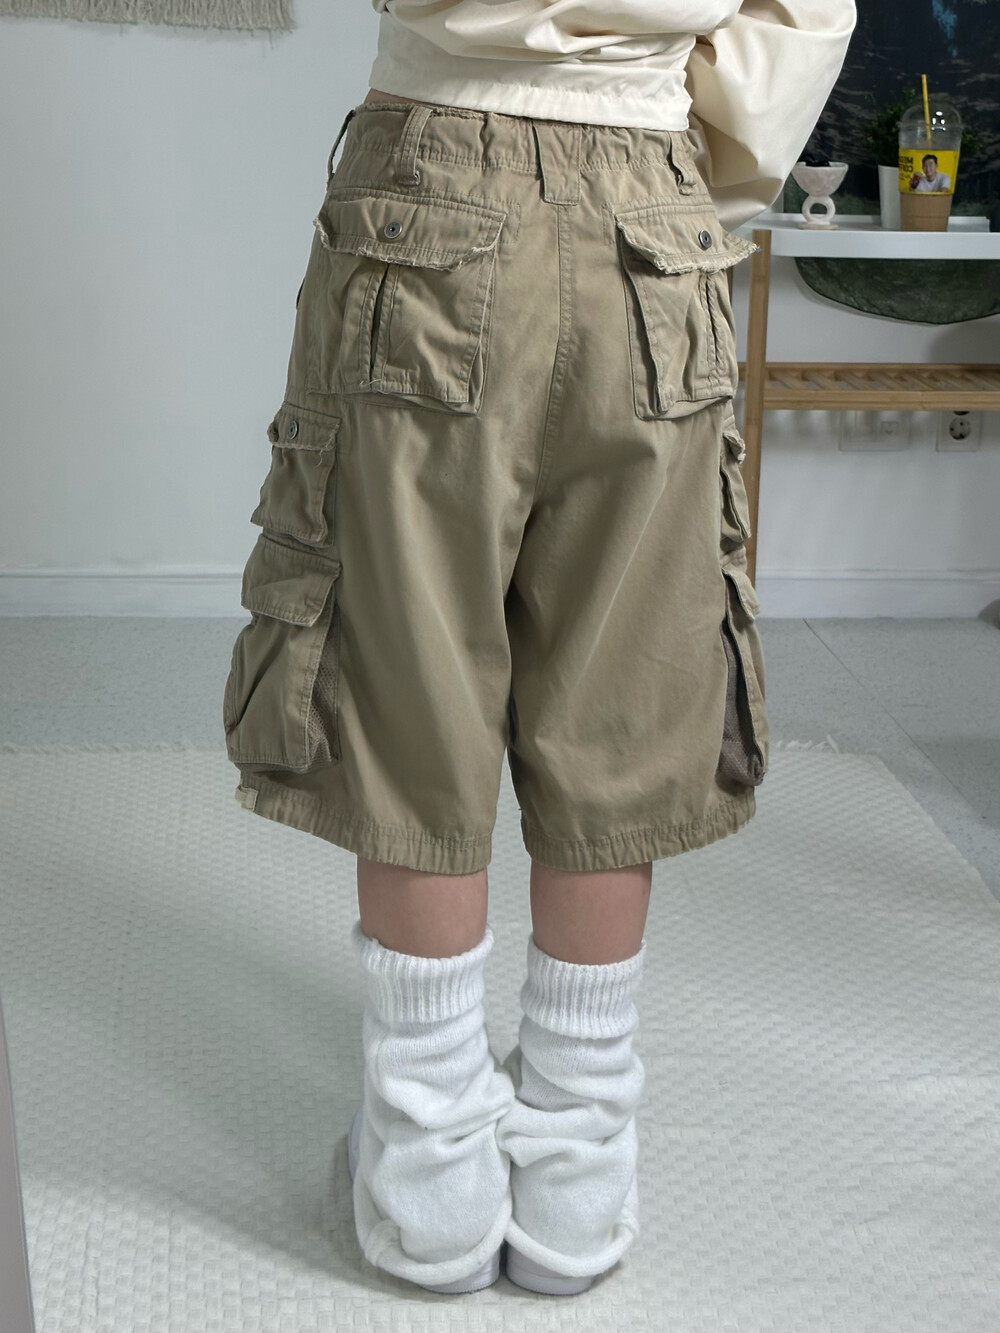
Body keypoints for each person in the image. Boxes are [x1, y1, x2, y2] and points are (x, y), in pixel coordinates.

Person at [223, 0, 857, 1299]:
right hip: (652, 213)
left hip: (429, 176)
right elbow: (805, 13)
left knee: (409, 683)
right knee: (621, 699)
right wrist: (673, 147)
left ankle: (431, 1188)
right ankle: (574, 1176)